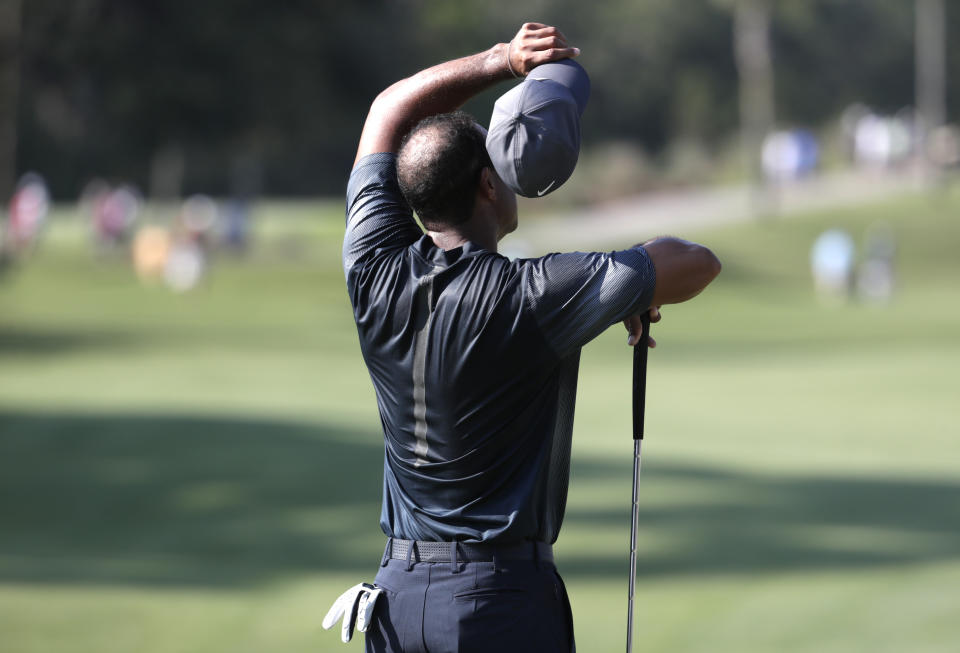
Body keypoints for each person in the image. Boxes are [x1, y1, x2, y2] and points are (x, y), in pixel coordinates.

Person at [339, 23, 721, 653]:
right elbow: (697, 262)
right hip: (497, 603)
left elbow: (389, 109)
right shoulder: (533, 295)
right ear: (489, 186)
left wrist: (502, 60)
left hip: (397, 599)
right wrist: (629, 289)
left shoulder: (371, 267)